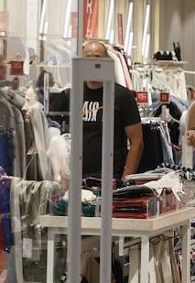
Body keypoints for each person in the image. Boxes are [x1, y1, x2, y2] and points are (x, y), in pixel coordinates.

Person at [49, 41, 143, 180]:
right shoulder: (72, 95)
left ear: (106, 62)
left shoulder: (122, 96)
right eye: (87, 58)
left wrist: (126, 180)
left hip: (109, 178)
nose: (92, 62)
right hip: (76, 178)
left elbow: (137, 142)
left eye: (97, 57)